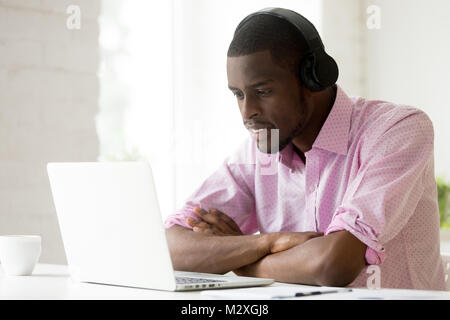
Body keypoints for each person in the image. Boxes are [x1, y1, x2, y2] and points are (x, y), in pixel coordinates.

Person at [164, 8, 446, 290]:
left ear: (313, 79)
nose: (247, 112)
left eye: (262, 92)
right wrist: (267, 242)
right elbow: (170, 248)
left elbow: (333, 265)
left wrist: (236, 260)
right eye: (238, 95)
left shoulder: (398, 130)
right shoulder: (257, 154)